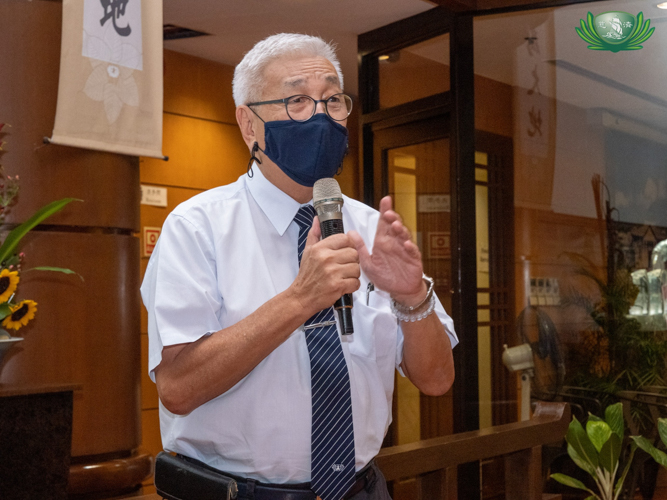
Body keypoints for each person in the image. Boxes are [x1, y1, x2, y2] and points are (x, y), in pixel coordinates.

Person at [141, 33, 458, 500]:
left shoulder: (371, 227)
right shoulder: (197, 226)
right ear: (249, 124)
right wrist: (300, 298)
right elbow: (178, 388)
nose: (321, 116)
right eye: (297, 101)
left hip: (361, 490)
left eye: (333, 100)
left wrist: (413, 298)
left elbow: (436, 380)